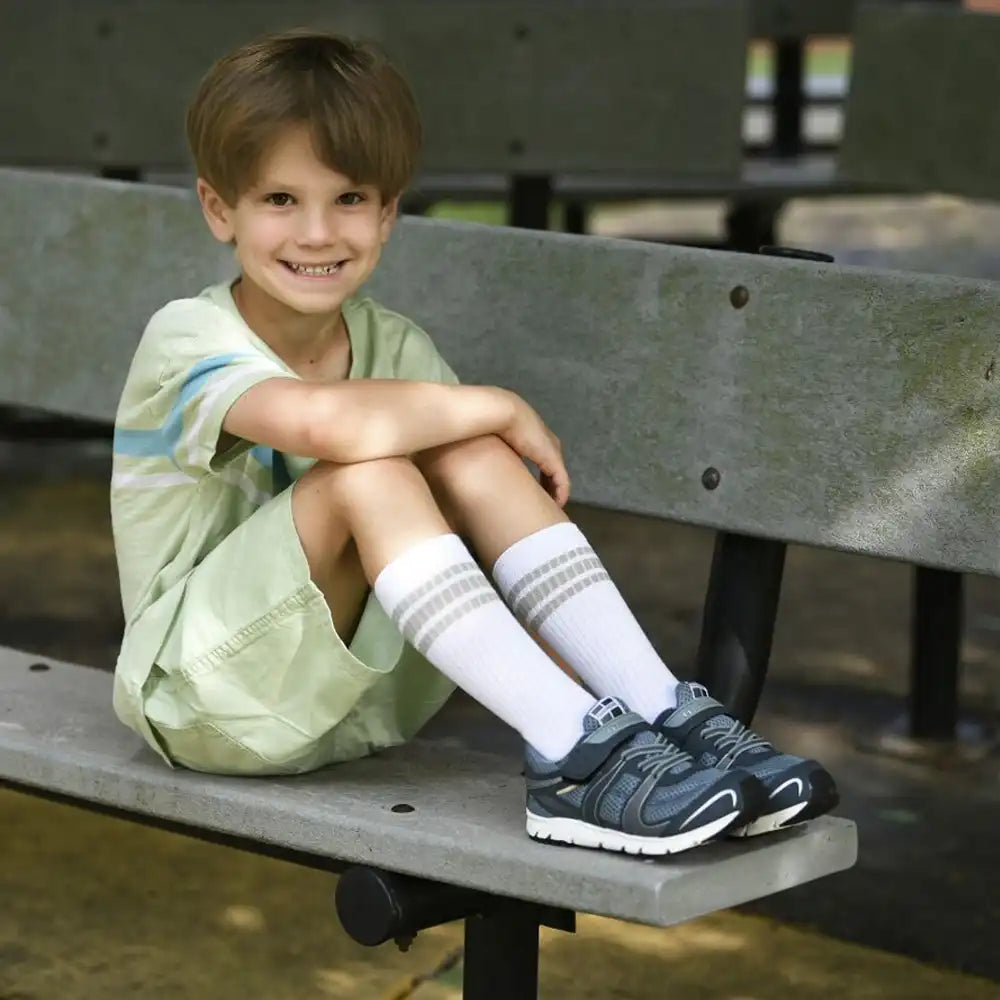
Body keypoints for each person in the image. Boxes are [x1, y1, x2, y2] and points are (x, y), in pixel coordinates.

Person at [110, 29, 838, 857]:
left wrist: (486, 426)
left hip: (357, 708)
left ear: (387, 215)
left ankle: (656, 710)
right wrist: (499, 402)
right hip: (204, 702)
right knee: (375, 469)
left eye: (349, 199)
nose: (317, 232)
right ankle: (575, 755)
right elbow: (327, 425)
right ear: (219, 209)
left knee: (468, 453)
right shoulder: (188, 336)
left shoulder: (397, 345)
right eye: (280, 200)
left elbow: (478, 544)